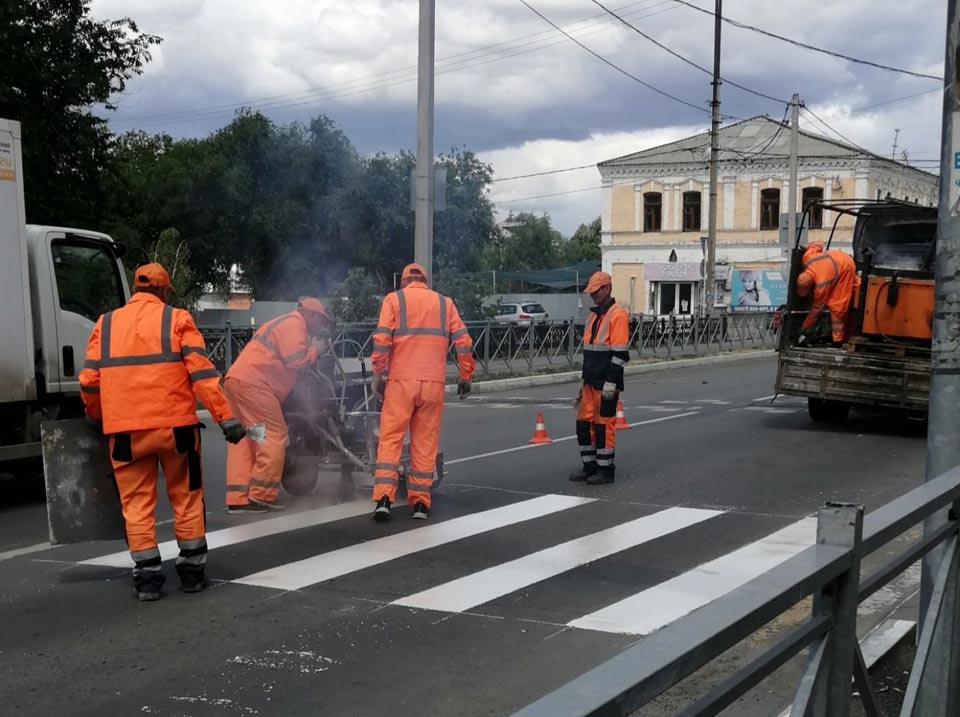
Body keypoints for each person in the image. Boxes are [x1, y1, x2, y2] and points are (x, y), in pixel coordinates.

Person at [79, 263, 246, 602]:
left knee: (137, 505)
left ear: (135, 291)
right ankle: (192, 574)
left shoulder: (106, 325)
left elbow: (90, 381)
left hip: (126, 433)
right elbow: (202, 373)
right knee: (186, 498)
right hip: (176, 430)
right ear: (164, 291)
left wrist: (97, 417)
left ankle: (148, 580)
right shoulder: (177, 319)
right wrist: (225, 417)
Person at [369, 263, 474, 521]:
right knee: (424, 444)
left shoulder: (394, 300)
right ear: (425, 281)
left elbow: (382, 339)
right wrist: (465, 375)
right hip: (432, 384)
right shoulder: (444, 303)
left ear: (403, 281)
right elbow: (464, 340)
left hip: (400, 382)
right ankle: (420, 504)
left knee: (391, 439)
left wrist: (377, 374)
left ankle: (384, 499)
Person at [222, 298, 333, 513]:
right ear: (309, 314)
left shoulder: (281, 323)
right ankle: (261, 496)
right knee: (275, 434)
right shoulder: (295, 325)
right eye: (319, 320)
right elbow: (297, 361)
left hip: (238, 382)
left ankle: (238, 497)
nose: (319, 325)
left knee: (251, 438)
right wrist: (315, 349)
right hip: (256, 386)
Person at [569, 271, 630, 485]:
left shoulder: (617, 315)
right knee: (584, 425)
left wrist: (611, 384)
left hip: (606, 383)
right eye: (591, 292)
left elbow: (621, 354)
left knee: (604, 426)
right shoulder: (592, 317)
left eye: (596, 291)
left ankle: (605, 470)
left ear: (607, 288)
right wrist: (582, 383)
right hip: (590, 383)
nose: (593, 296)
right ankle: (590, 466)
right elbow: (589, 353)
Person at [795, 241, 858, 345]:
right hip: (840, 256)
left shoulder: (821, 285)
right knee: (855, 286)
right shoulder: (807, 258)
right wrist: (807, 246)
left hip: (845, 268)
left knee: (837, 306)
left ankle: (837, 341)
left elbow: (816, 311)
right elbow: (818, 244)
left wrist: (804, 327)